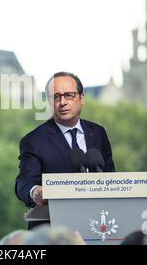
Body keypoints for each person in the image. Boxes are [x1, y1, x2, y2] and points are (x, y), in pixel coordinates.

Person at [15, 72, 115, 227]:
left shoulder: (98, 133)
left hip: (96, 225)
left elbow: (111, 178)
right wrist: (34, 191)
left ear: (81, 98)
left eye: (69, 95)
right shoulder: (34, 141)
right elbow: (24, 182)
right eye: (56, 97)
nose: (62, 102)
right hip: (53, 230)